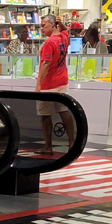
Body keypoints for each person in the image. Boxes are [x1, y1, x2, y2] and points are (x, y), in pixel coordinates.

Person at [35, 14, 75, 158]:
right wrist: (61, 23)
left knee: (45, 114)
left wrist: (38, 84)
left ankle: (48, 146)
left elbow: (46, 63)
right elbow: (65, 31)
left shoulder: (49, 43)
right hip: (62, 81)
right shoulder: (63, 37)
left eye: (43, 25)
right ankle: (72, 143)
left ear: (52, 24)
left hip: (48, 84)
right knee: (64, 111)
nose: (41, 28)